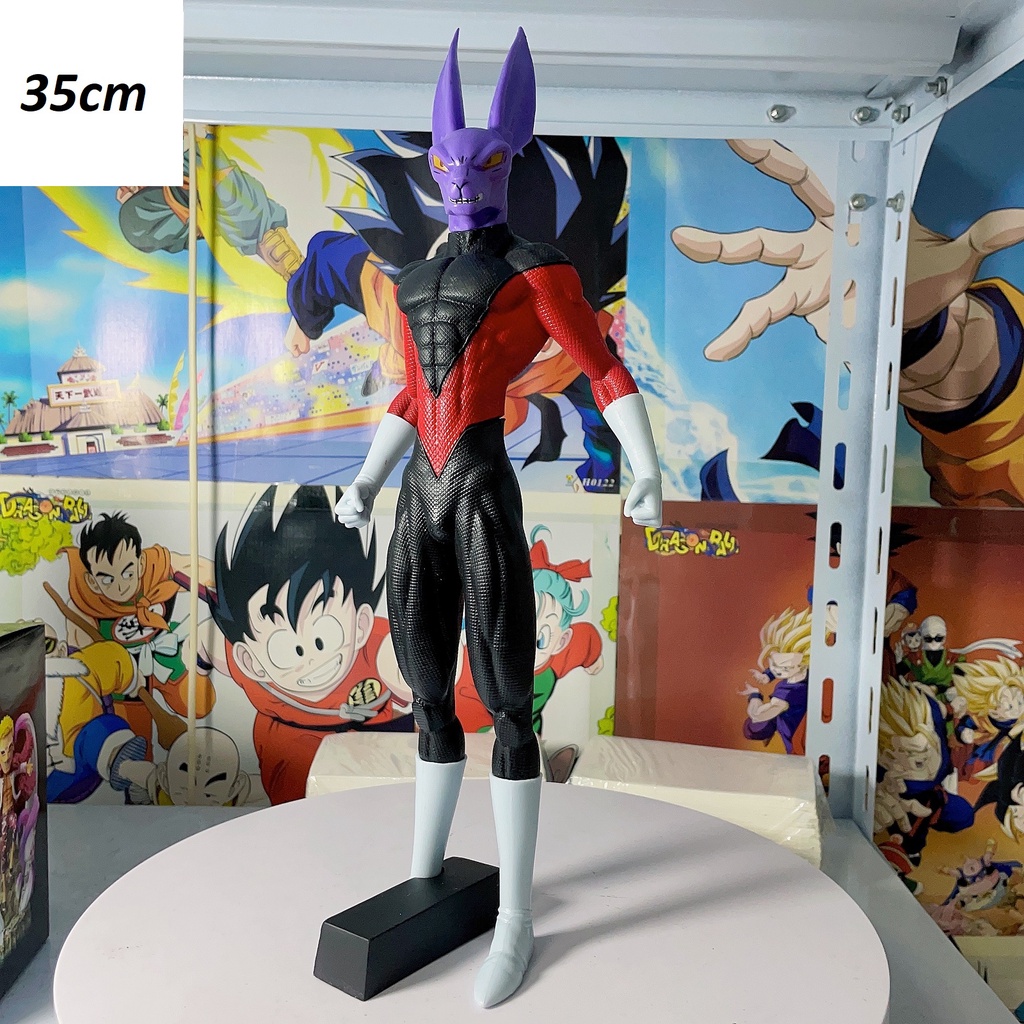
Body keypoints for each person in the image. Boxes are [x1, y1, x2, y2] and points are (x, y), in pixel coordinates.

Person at [334, 29, 662, 1008]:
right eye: (448, 164)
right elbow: (411, 395)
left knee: (510, 700)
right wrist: (363, 481)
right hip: (417, 501)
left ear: (506, 161)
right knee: (427, 693)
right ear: (437, 168)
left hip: (480, 491)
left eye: (480, 163)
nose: (461, 180)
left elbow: (601, 367)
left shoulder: (536, 269)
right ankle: (425, 872)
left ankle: (515, 913)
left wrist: (645, 467)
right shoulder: (415, 279)